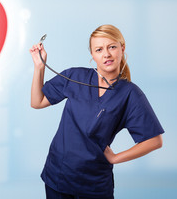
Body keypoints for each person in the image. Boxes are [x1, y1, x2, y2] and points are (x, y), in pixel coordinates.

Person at [29, 24, 164, 199]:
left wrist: (116, 158)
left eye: (112, 47)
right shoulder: (75, 77)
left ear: (122, 48)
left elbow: (154, 140)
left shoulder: (131, 94)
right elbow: (37, 102)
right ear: (92, 55)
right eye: (99, 49)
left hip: (94, 184)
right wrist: (39, 67)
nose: (106, 54)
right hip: (59, 175)